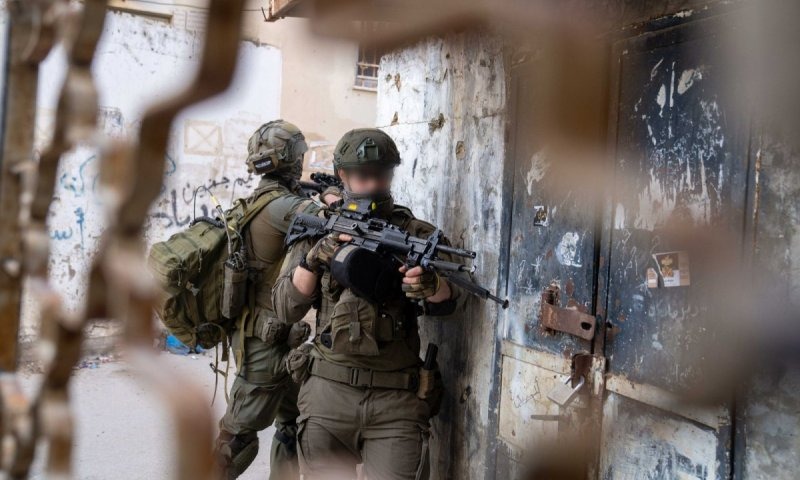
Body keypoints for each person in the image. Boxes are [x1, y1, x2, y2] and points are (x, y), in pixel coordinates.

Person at [272, 128, 465, 479]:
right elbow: (286, 308)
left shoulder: (415, 234)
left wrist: (432, 285)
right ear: (343, 175)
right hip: (328, 393)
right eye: (363, 176)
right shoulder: (322, 229)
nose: (374, 184)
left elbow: (453, 302)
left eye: (382, 175)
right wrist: (314, 259)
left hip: (396, 399)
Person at [215, 120, 339, 479]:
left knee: (293, 424)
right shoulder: (283, 207)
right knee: (236, 440)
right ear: (292, 159)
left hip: (279, 340)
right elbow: (338, 221)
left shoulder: (262, 200)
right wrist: (333, 195)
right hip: (264, 346)